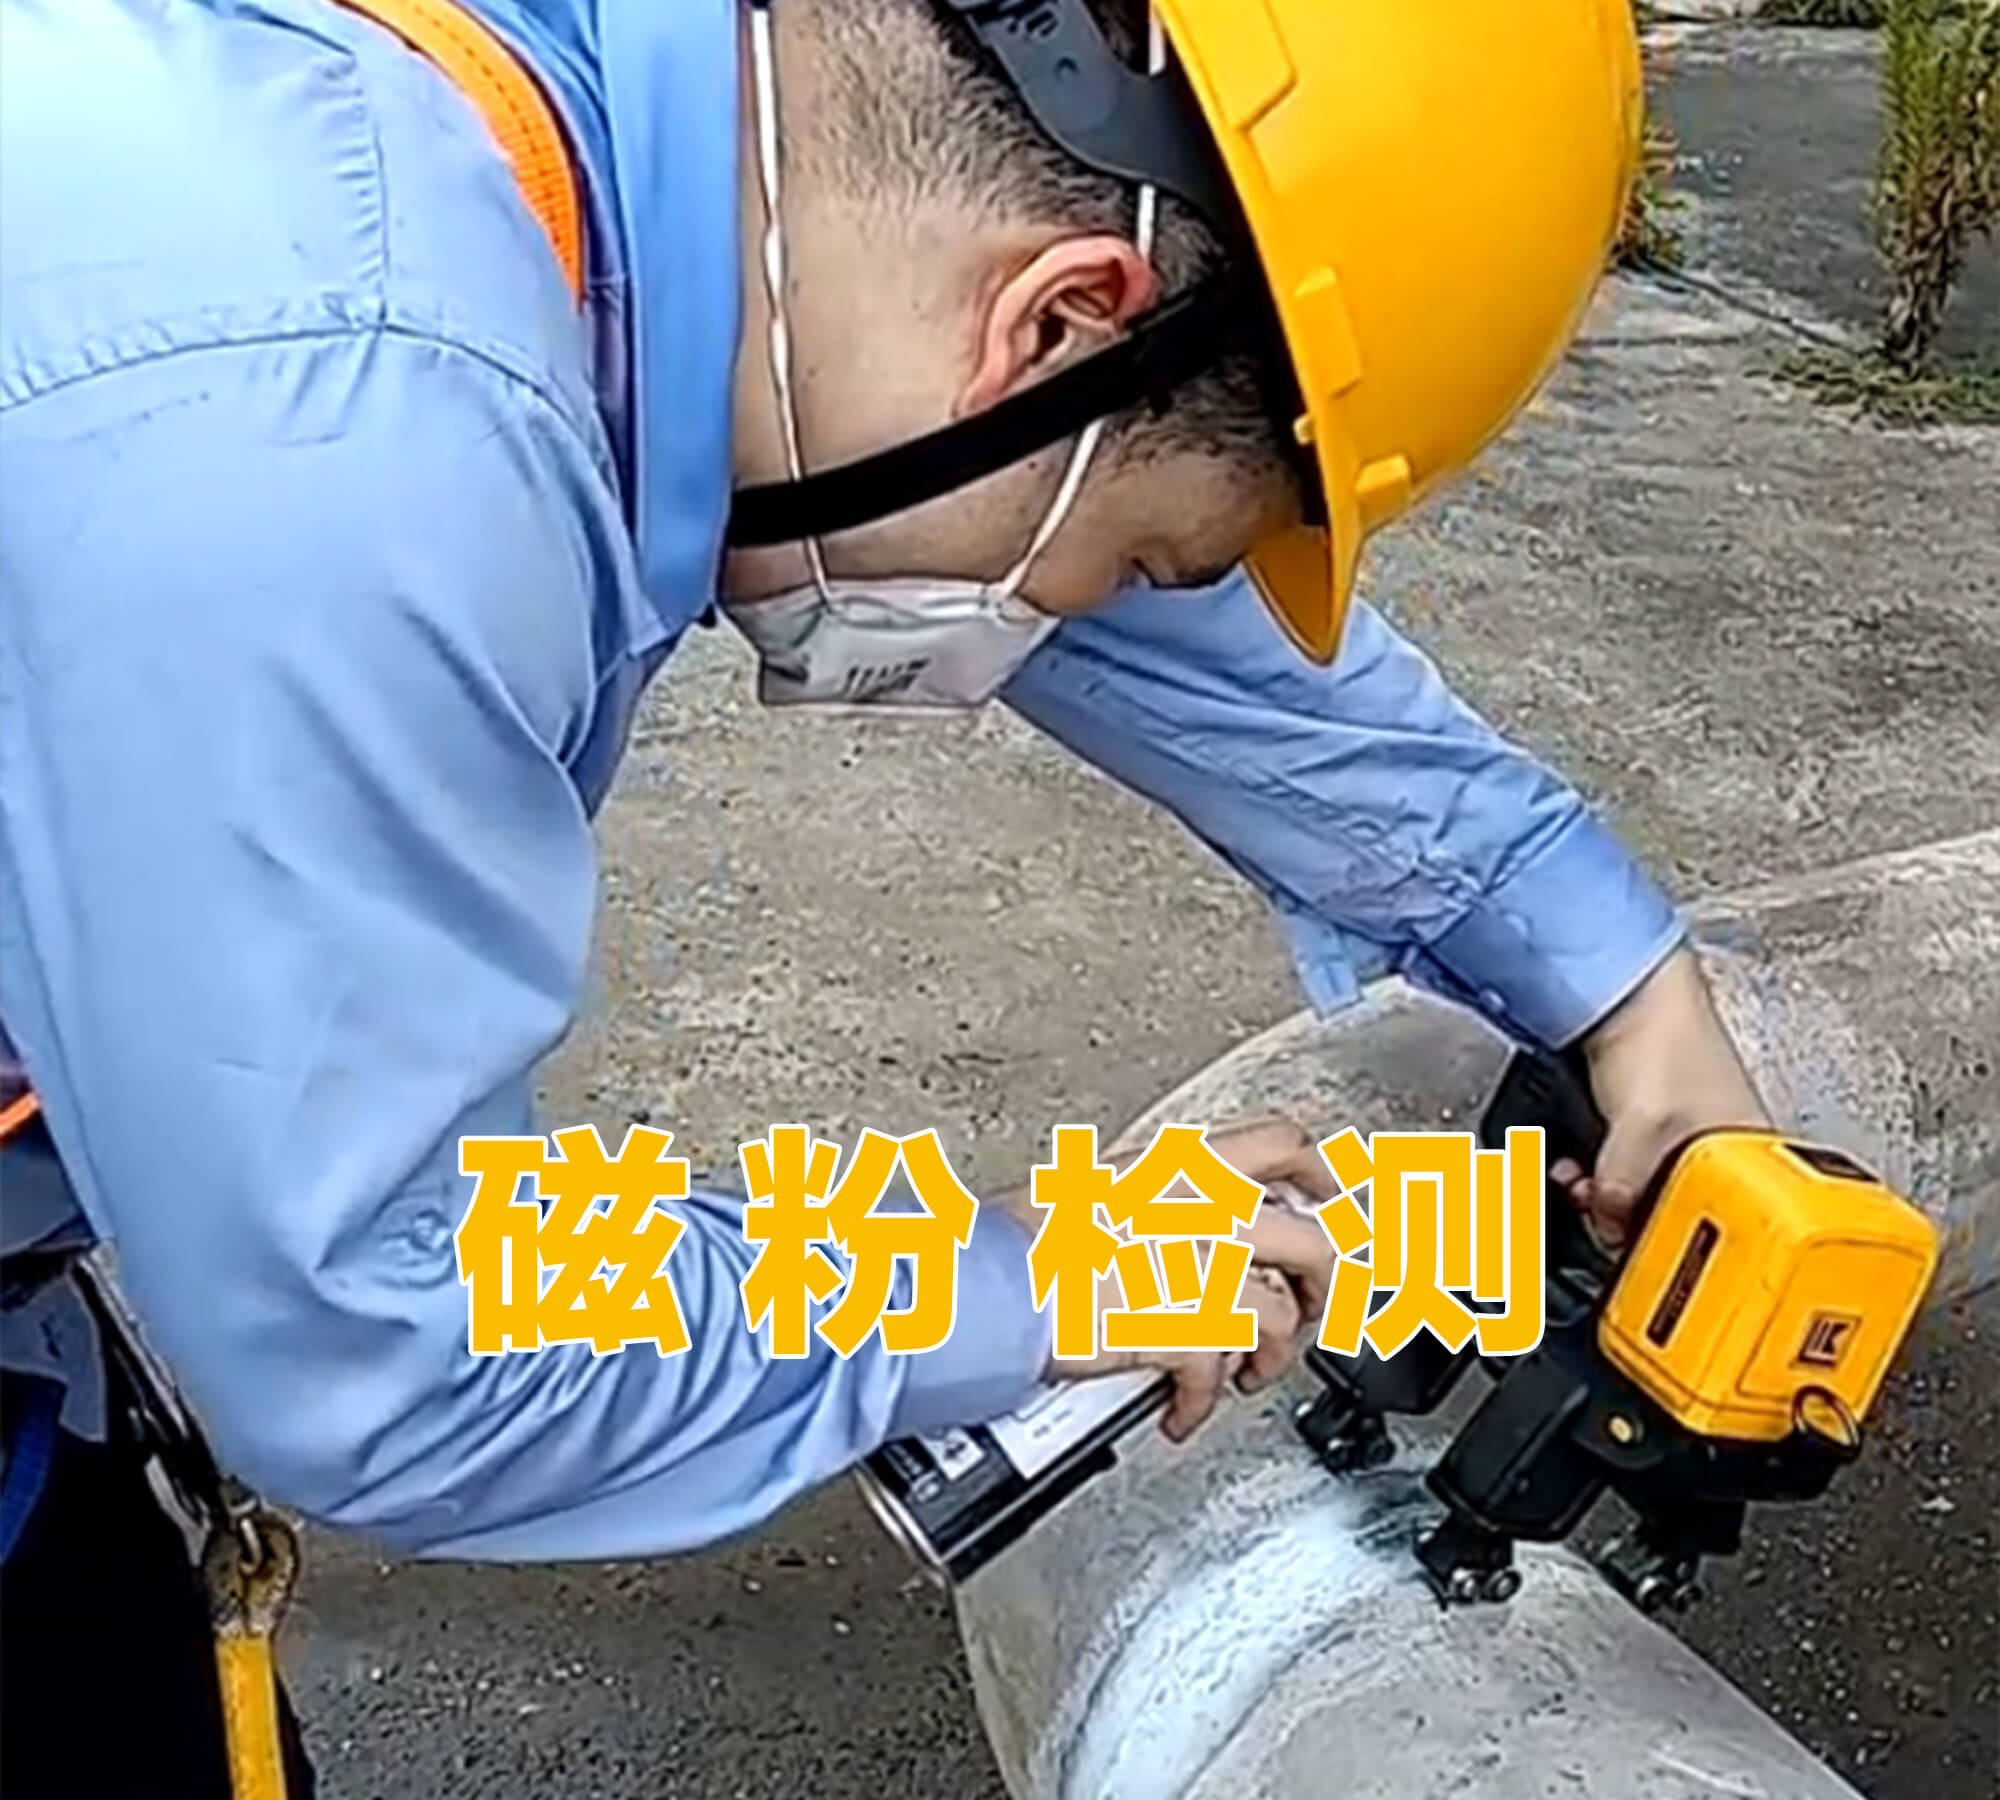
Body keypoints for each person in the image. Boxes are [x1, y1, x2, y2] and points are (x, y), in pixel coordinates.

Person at [0, 0, 1769, 1792]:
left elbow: (1093, 548)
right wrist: (1042, 1277)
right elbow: (387, 1340)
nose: (1075, 619)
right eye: (1138, 561)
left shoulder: (612, 138)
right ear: (1054, 323)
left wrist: (1609, 971)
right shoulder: (328, 448)